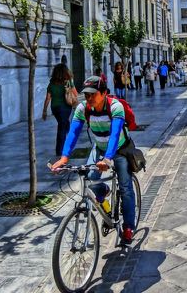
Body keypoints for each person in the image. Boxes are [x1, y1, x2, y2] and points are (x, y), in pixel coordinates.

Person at [51, 77, 136, 245]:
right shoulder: (83, 108)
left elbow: (114, 134)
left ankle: (128, 227)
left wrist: (108, 159)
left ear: (104, 93)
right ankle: (104, 195)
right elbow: (73, 133)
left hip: (119, 149)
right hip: (99, 149)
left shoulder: (115, 107)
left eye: (92, 95)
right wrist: (64, 158)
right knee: (90, 179)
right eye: (86, 95)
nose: (89, 99)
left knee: (125, 187)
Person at [43, 63, 78, 156]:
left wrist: (44, 110)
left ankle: (65, 143)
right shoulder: (68, 82)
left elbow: (47, 98)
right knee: (62, 127)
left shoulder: (51, 83)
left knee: (65, 124)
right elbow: (76, 94)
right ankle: (60, 151)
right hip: (65, 107)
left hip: (55, 108)